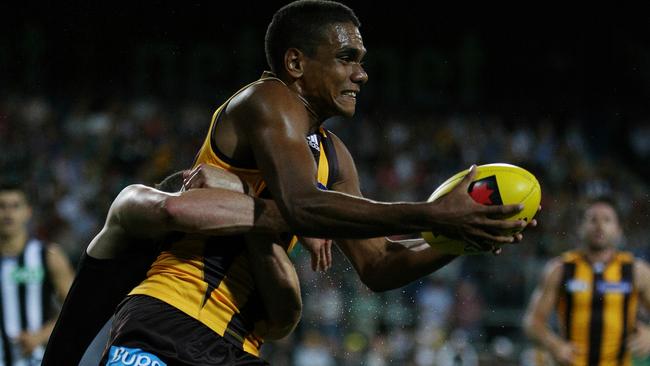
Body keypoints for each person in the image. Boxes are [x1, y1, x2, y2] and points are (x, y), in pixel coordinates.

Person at [106, 0, 536, 365]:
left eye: (361, 61)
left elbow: (378, 265)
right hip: (170, 316)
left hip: (238, 345)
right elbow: (302, 206)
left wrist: (459, 239)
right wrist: (434, 214)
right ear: (296, 63)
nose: (361, 74)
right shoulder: (267, 98)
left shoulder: (336, 157)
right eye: (347, 58)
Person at [42, 166, 331, 365]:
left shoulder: (196, 274)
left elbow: (285, 320)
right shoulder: (130, 207)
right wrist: (290, 214)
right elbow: (172, 210)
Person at [523, 196, 650, 366]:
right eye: (592, 219)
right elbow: (532, 322)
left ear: (619, 229)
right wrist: (555, 345)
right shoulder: (560, 269)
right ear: (580, 228)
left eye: (607, 220)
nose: (599, 226)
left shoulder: (636, 271)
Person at [0, 181, 74, 365]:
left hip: (37, 360)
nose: (8, 213)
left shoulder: (48, 256)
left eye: (15, 206)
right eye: (1, 206)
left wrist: (40, 336)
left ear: (28, 211)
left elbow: (74, 308)